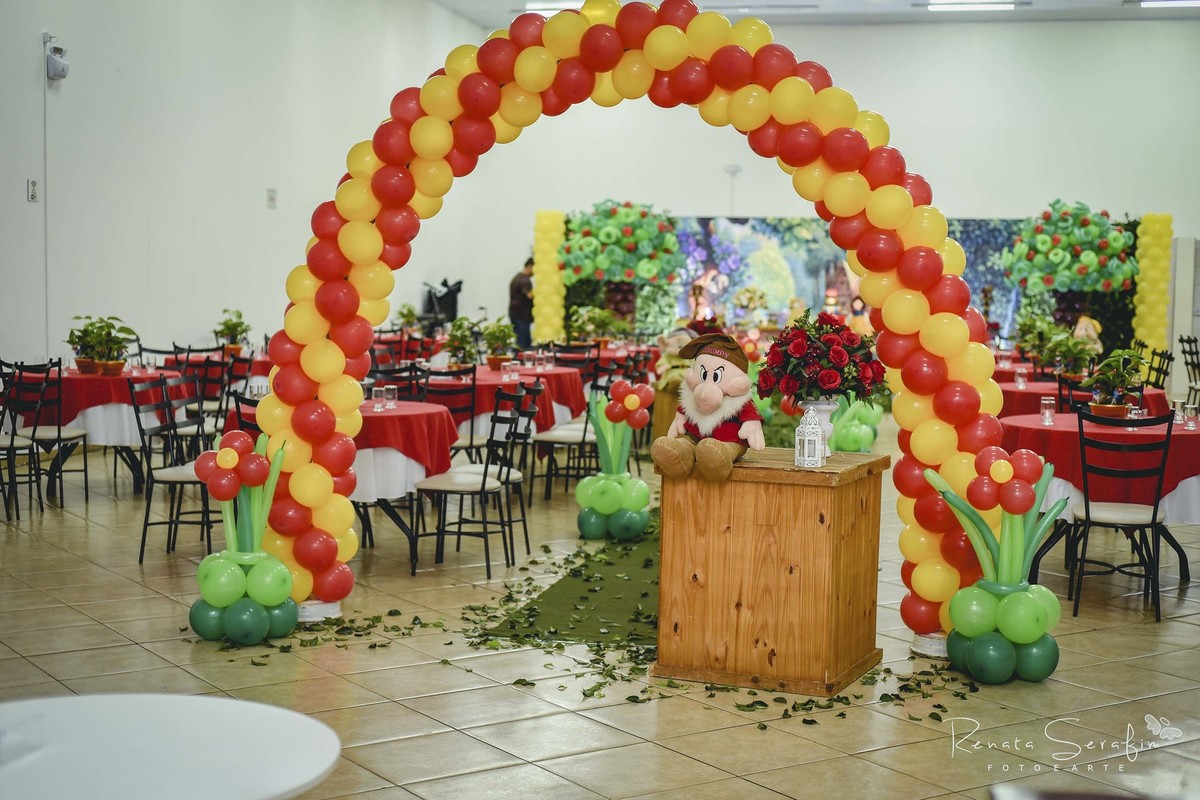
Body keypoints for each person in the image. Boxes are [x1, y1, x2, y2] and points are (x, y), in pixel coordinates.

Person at [509, 257, 534, 349]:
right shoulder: (525, 280)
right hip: (522, 316)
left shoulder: (516, 277)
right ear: (530, 266)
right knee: (524, 344)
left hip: (515, 314)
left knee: (520, 340)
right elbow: (529, 295)